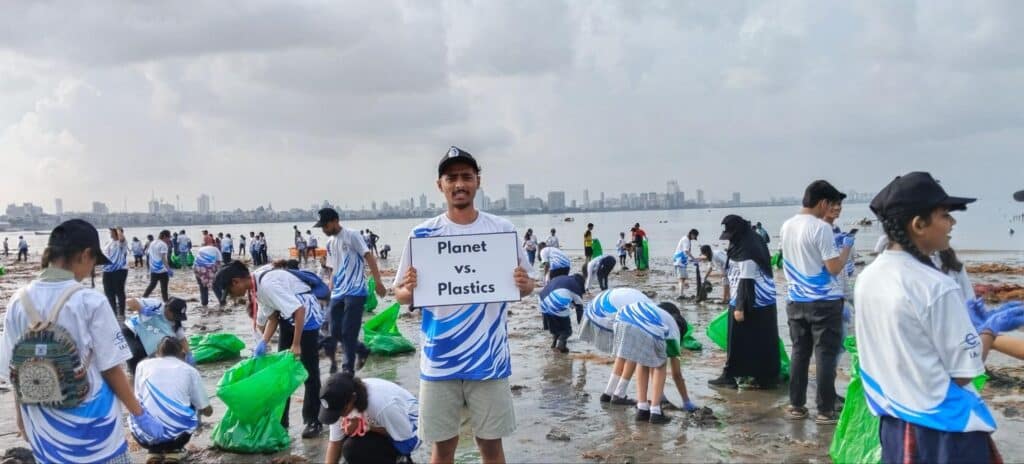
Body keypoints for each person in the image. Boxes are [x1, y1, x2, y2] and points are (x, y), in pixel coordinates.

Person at [855, 172, 1024, 463]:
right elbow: (964, 372)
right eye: (945, 215)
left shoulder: (868, 277)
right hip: (944, 430)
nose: (953, 223)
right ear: (919, 225)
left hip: (894, 422)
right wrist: (988, 331)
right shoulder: (936, 286)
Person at [392, 146, 534, 464]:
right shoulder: (423, 234)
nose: (459, 184)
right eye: (451, 177)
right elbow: (400, 293)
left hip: (490, 360)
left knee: (491, 446)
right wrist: (411, 291)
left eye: (466, 177)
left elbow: (525, 285)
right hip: (439, 361)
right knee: (442, 448)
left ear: (477, 182)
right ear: (440, 184)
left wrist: (526, 286)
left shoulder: (502, 230)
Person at [0, 219, 164, 464]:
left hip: (44, 432)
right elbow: (111, 370)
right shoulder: (90, 301)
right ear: (85, 254)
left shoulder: (18, 301)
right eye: (94, 263)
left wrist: (21, 418)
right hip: (97, 433)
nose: (92, 270)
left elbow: (15, 369)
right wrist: (139, 414)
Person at [214, 260, 327, 438]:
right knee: (282, 371)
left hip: (307, 317)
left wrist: (296, 344)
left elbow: (299, 310)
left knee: (309, 371)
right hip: (288, 317)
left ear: (236, 282)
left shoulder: (267, 285)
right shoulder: (257, 286)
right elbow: (273, 318)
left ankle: (313, 421)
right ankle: (282, 420)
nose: (232, 296)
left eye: (229, 292)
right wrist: (263, 342)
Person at [779, 180, 854, 424]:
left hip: (796, 300)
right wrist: (845, 250)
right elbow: (833, 268)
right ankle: (825, 409)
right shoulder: (820, 228)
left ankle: (797, 405)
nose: (831, 209)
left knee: (800, 353)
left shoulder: (787, 226)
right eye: (831, 204)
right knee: (825, 355)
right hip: (823, 302)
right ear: (822, 203)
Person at [708, 215, 780, 390]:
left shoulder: (747, 250)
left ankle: (730, 376)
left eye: (731, 234)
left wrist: (740, 308)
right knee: (761, 341)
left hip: (751, 300)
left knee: (737, 342)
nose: (729, 239)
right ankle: (764, 377)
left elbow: (746, 280)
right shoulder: (751, 241)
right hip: (764, 302)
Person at [315, 207, 387, 375]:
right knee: (334, 331)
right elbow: (333, 268)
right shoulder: (330, 242)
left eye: (326, 225)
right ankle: (361, 349)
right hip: (338, 293)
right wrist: (329, 292)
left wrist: (378, 281)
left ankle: (347, 370)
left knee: (349, 331)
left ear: (335, 221)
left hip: (355, 291)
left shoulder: (352, 235)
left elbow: (369, 256)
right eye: (322, 227)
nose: (324, 230)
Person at [613, 298, 698, 423]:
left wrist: (659, 394)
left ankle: (642, 409)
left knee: (642, 359)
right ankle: (655, 412)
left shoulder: (656, 314)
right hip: (637, 320)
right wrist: (686, 401)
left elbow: (648, 361)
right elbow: (676, 374)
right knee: (660, 362)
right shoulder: (673, 329)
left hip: (624, 318)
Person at [128, 337, 212, 463]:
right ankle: (174, 451)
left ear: (157, 354)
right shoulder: (189, 370)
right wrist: (208, 409)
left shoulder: (142, 365)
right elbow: (206, 409)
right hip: (177, 438)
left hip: (143, 436)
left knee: (144, 405)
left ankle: (154, 451)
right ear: (182, 355)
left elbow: (137, 397)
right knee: (192, 405)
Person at [319, 373, 420, 464]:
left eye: (341, 411)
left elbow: (409, 443)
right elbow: (335, 442)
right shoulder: (338, 404)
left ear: (353, 398)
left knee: (354, 449)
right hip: (381, 425)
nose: (339, 415)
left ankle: (401, 460)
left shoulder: (381, 406)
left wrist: (367, 427)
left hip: (411, 430)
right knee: (349, 447)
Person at [122, 297, 191, 375]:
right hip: (132, 331)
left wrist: (189, 354)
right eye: (175, 315)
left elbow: (182, 338)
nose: (176, 318)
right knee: (136, 354)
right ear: (168, 309)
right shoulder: (156, 305)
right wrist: (142, 309)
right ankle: (132, 375)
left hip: (147, 336)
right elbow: (129, 301)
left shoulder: (176, 323)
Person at [538, 273, 586, 353]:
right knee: (567, 331)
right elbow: (579, 307)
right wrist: (580, 323)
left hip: (542, 302)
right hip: (557, 302)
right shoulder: (576, 286)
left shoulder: (561, 278)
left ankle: (553, 344)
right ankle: (561, 347)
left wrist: (545, 324)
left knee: (555, 328)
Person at [102, 227, 130, 320]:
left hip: (120, 270)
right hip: (107, 270)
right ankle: (113, 313)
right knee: (109, 293)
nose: (110, 233)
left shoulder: (121, 243)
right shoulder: (108, 243)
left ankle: (121, 313)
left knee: (119, 291)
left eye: (112, 232)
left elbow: (121, 238)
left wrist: (118, 229)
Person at [143, 230, 173, 302]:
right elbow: (163, 258)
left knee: (152, 286)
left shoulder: (153, 243)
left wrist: (150, 267)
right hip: (162, 270)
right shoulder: (163, 245)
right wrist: (169, 269)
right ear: (165, 236)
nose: (169, 239)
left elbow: (149, 255)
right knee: (164, 289)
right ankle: (166, 302)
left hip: (153, 270)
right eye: (169, 237)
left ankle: (143, 298)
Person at [193, 245, 225, 309]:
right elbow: (219, 264)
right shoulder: (217, 250)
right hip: (206, 268)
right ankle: (222, 303)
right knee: (215, 285)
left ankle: (204, 304)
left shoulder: (202, 248)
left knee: (202, 286)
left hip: (196, 267)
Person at [673, 229, 702, 300]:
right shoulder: (686, 240)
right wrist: (694, 258)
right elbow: (686, 251)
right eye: (694, 236)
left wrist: (691, 259)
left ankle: (681, 293)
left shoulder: (686, 239)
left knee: (682, 278)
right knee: (681, 278)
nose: (693, 238)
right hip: (680, 261)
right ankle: (681, 294)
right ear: (691, 234)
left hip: (681, 260)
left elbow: (686, 251)